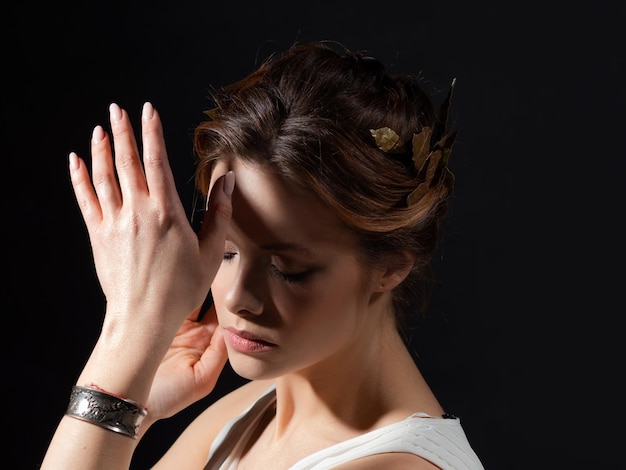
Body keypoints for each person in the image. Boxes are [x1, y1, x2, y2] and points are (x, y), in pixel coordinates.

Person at [41, 41, 484, 469]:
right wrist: (138, 404)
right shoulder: (251, 412)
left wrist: (131, 338)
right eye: (226, 253)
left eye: (287, 268)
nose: (237, 298)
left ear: (392, 266)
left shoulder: (397, 466)